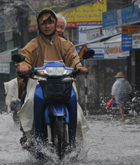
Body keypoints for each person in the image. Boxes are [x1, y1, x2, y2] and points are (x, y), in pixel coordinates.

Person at [17, 9, 89, 148]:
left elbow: (74, 58)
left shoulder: (65, 44)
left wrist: (78, 67)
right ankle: (30, 136)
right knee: (30, 101)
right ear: (39, 25)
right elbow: (24, 58)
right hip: (39, 83)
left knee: (78, 111)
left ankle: (77, 141)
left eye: (50, 22)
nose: (47, 26)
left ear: (55, 24)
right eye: (44, 23)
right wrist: (24, 67)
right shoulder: (33, 44)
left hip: (64, 83)